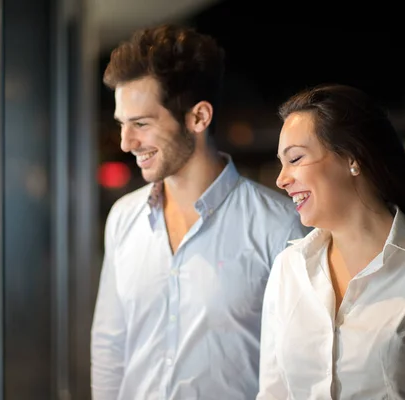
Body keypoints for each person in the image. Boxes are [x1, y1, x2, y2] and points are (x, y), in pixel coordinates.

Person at [90, 24, 310, 400]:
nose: (126, 143)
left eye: (141, 124)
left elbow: (302, 366)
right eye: (122, 125)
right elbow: (110, 348)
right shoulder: (123, 219)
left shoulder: (280, 227)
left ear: (198, 118)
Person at [257, 84, 405, 399]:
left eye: (295, 158)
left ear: (352, 158)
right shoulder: (288, 269)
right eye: (281, 162)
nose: (281, 178)